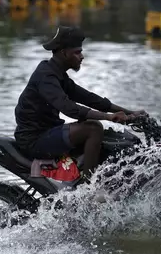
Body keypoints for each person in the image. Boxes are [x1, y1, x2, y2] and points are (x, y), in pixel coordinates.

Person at [14, 26, 146, 183]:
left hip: (48, 132)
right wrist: (109, 117)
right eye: (77, 52)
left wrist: (131, 114)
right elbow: (69, 108)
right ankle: (88, 187)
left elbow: (89, 98)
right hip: (34, 140)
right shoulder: (46, 76)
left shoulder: (59, 75)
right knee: (93, 128)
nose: (81, 56)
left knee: (110, 139)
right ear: (64, 52)